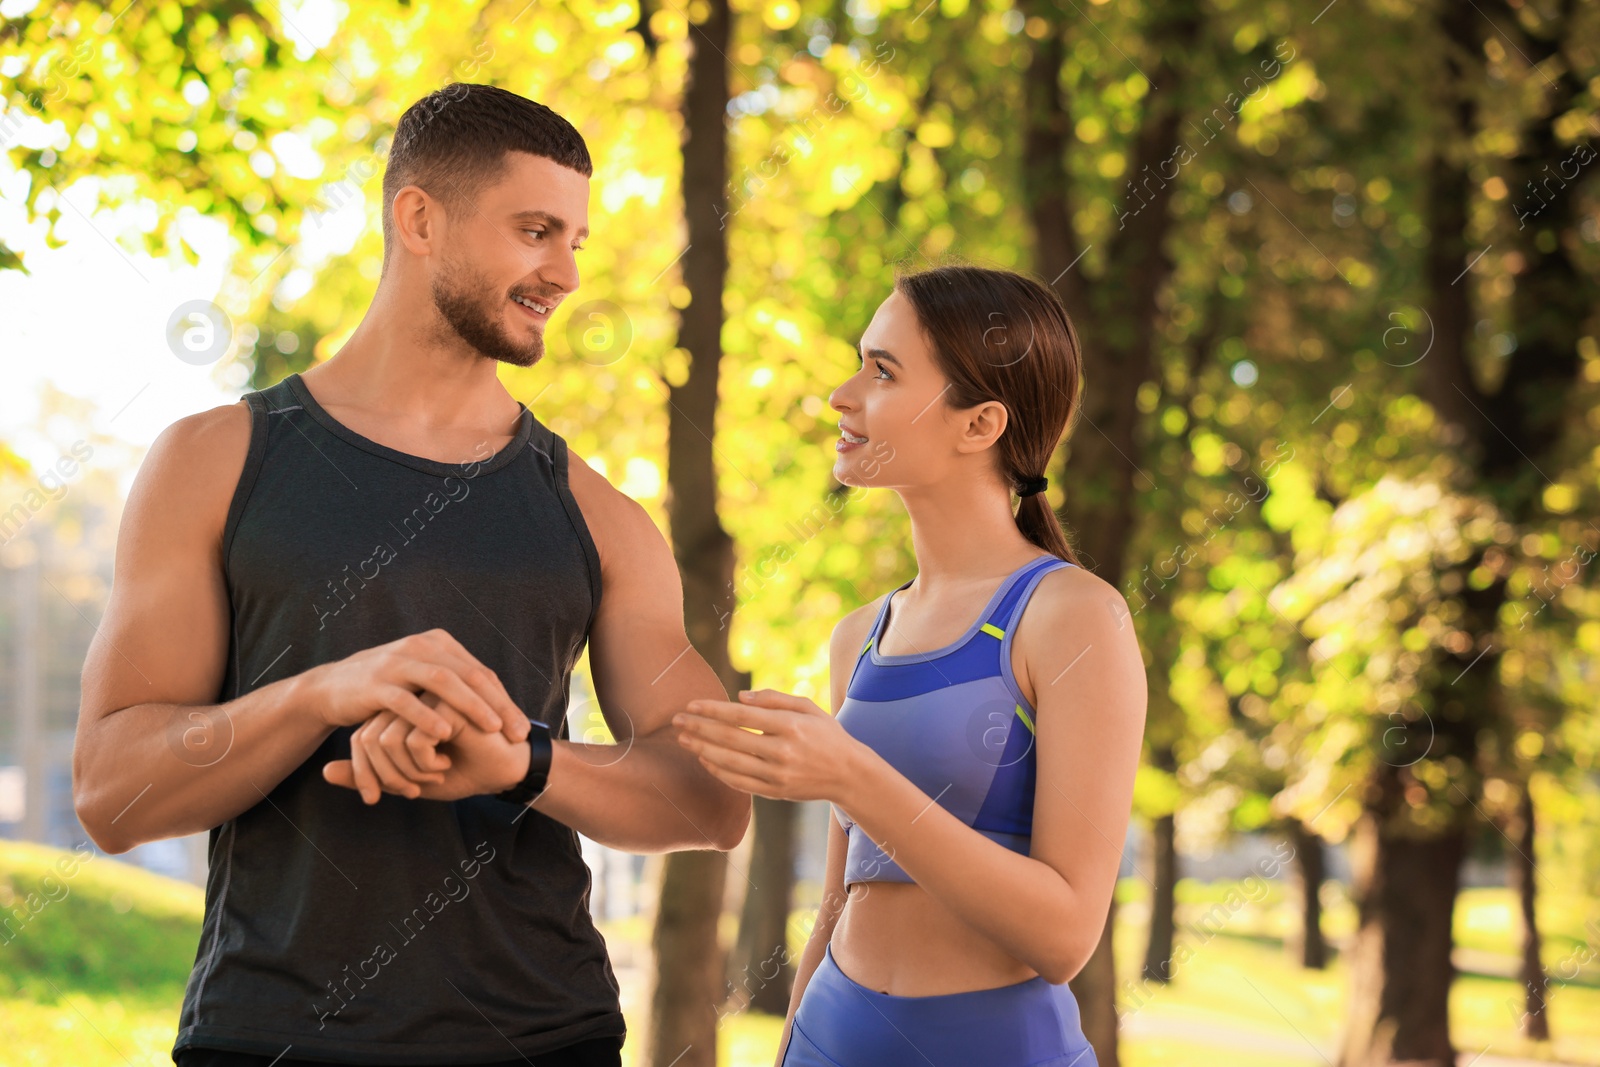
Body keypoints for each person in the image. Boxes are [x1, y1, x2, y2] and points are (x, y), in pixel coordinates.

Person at [72, 82, 750, 1067]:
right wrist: (320, 694)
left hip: (547, 1037)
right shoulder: (214, 460)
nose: (563, 271)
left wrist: (524, 760)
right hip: (267, 1036)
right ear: (419, 218)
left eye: (575, 240)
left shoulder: (599, 515)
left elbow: (710, 801)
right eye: (534, 231)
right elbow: (111, 792)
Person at [672, 265, 1148, 1067]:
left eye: (883, 371)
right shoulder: (858, 633)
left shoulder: (1073, 617)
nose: (842, 394)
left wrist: (852, 774)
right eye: (861, 361)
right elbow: (836, 903)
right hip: (830, 1036)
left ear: (980, 423)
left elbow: (1064, 935)